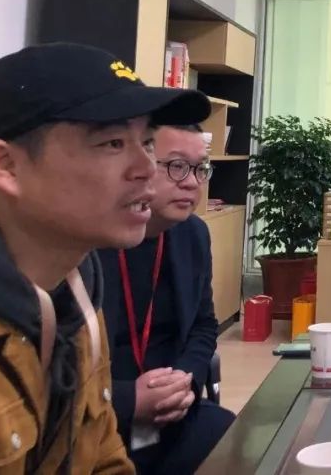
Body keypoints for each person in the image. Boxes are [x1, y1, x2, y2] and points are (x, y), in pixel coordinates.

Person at [0, 42, 209, 473]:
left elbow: (103, 458)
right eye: (113, 142)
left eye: (148, 143)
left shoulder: (77, 298)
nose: (146, 168)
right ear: (5, 165)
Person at [95, 124, 235, 474]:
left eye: (200, 168)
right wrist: (129, 399)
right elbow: (55, 372)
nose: (191, 182)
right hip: (99, 417)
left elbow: (204, 325)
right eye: (176, 166)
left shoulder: (193, 234)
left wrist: (186, 380)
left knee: (237, 443)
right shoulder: (87, 242)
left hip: (174, 413)